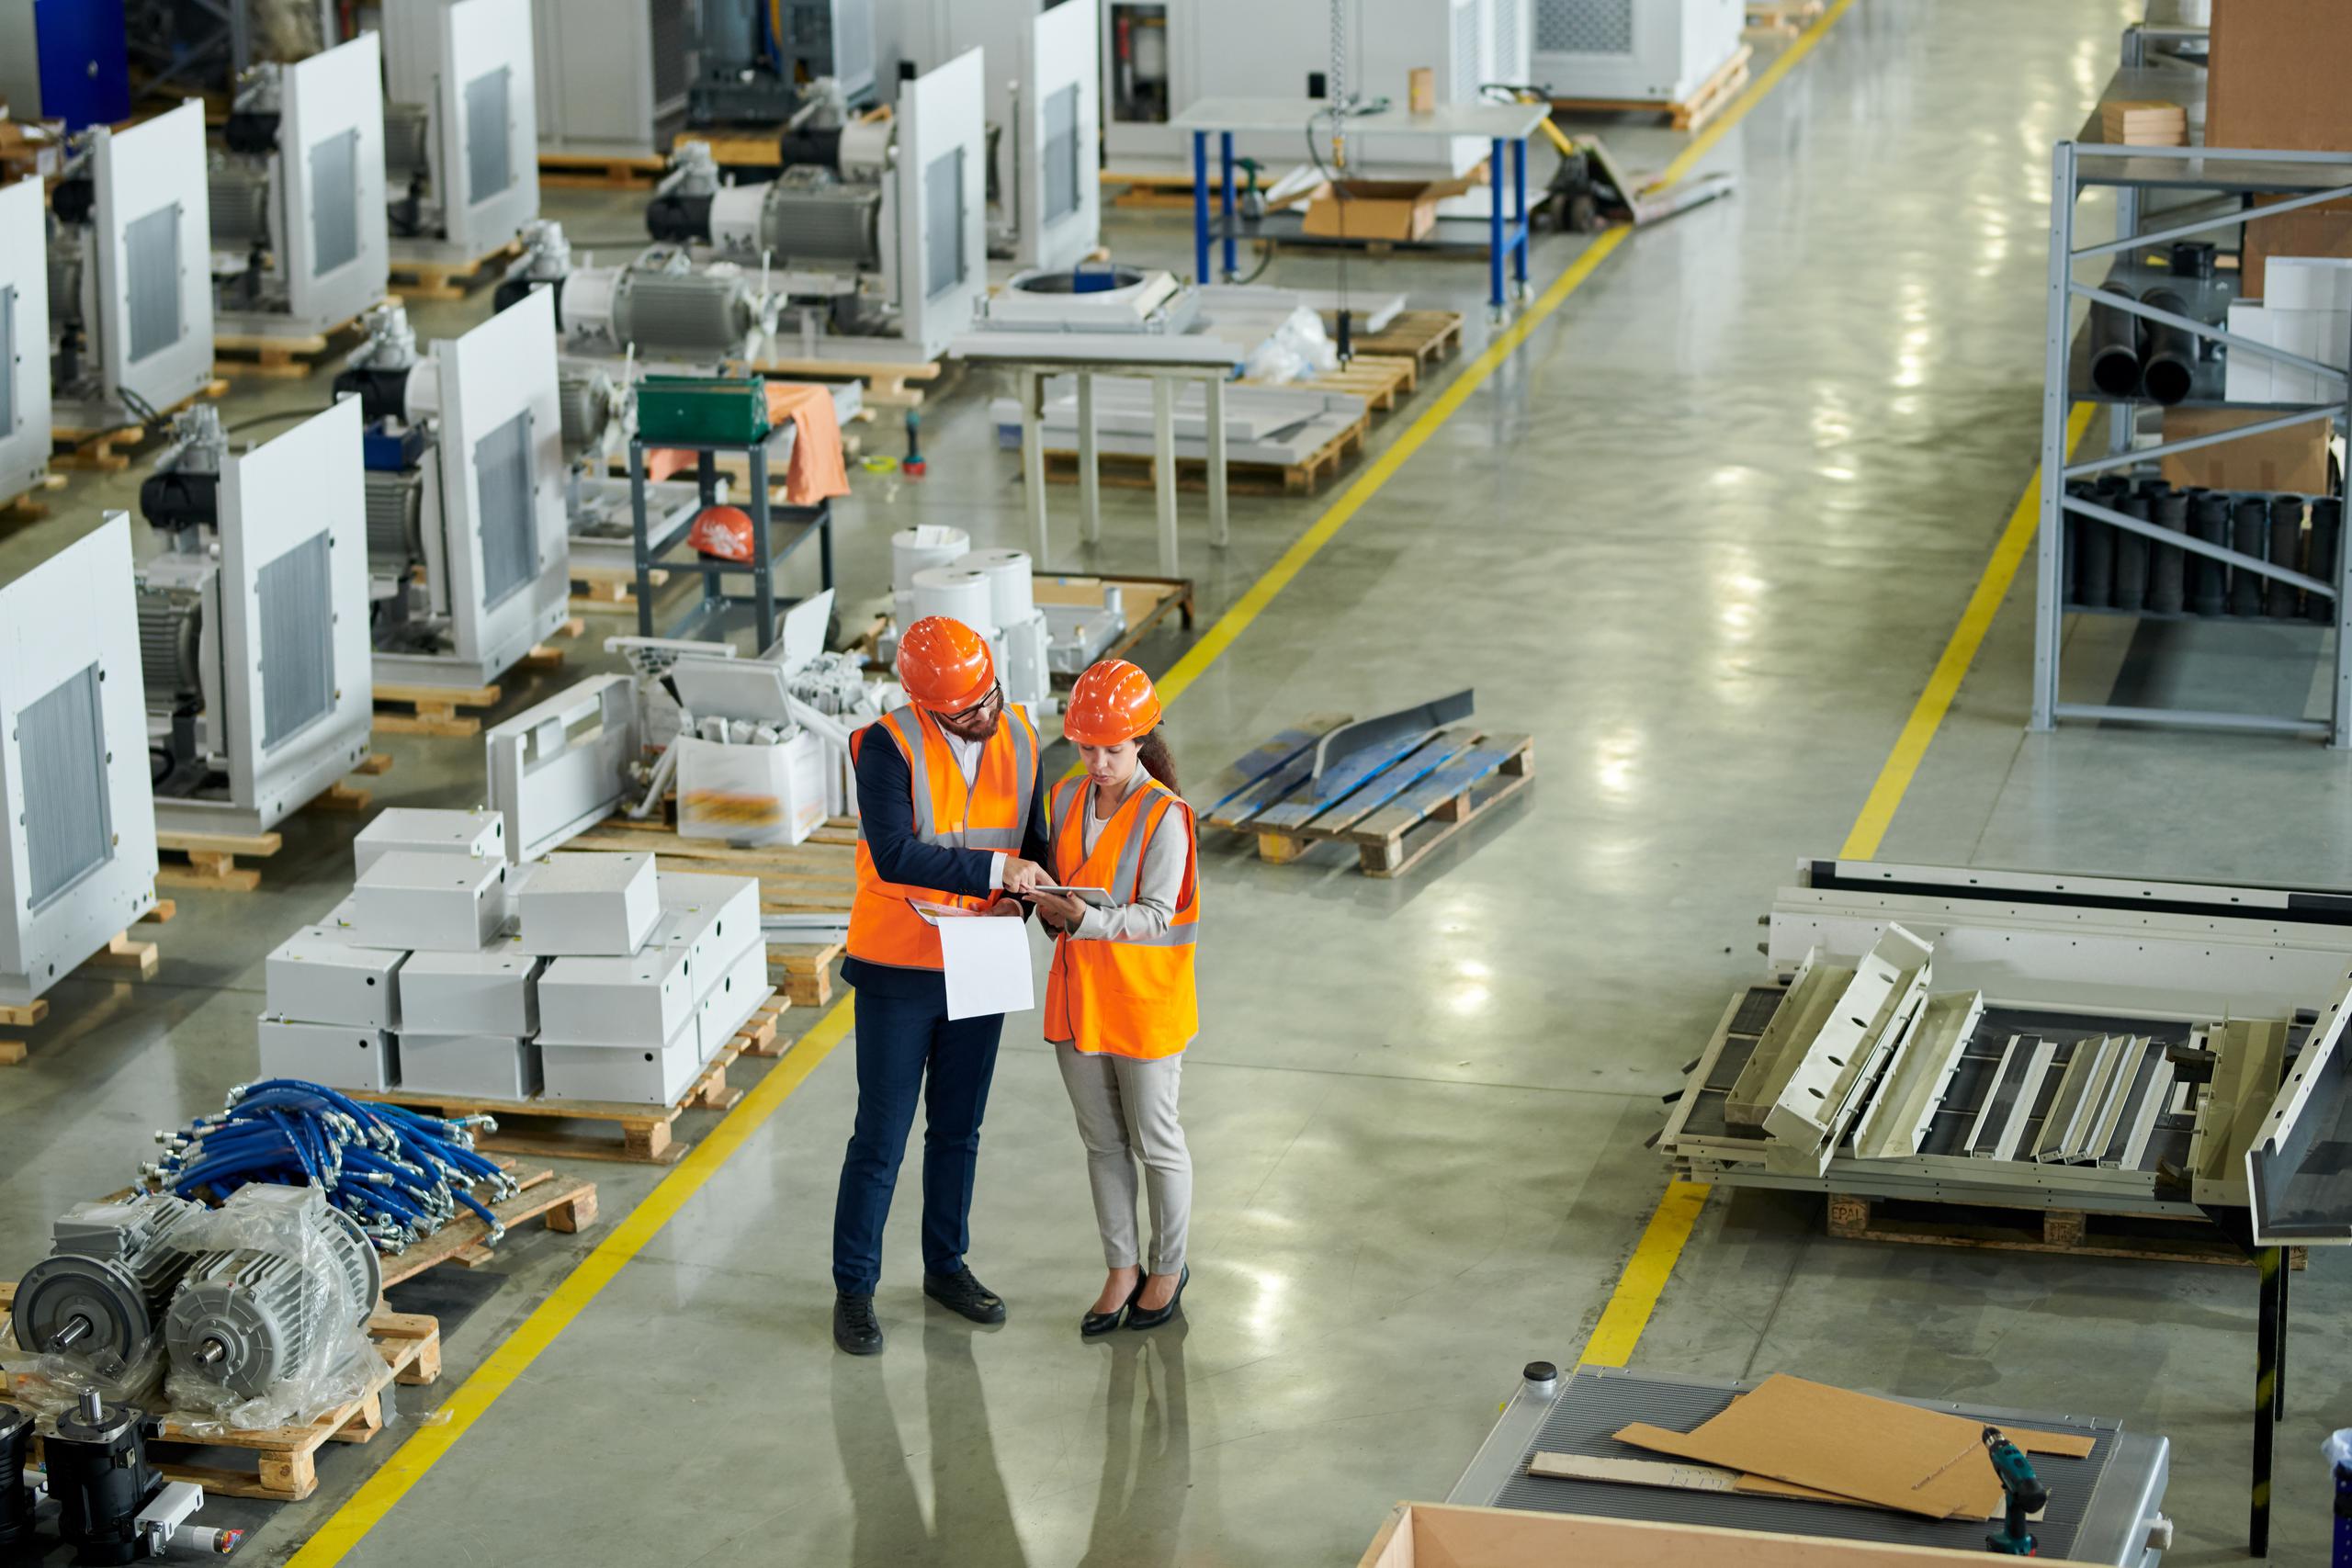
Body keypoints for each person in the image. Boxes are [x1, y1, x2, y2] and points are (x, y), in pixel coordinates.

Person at [831, 616, 1052, 1356]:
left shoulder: (1020, 735)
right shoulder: (885, 748)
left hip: (982, 956)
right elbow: (894, 854)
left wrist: (1041, 896)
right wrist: (999, 874)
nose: (985, 714)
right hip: (901, 967)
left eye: (990, 695)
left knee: (959, 1129)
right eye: (967, 709)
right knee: (882, 1137)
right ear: (927, 704)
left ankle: (946, 1266)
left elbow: (1035, 841)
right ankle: (854, 1290)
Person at [1021, 660, 1199, 1337]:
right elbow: (1066, 878)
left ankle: (1167, 1266)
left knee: (1156, 1142)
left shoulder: (1165, 816)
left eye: (1113, 750)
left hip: (1143, 1001)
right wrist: (1040, 899)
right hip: (1079, 996)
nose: (1096, 761)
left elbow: (1158, 912)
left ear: (1142, 739)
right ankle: (1121, 1266)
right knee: (1101, 1142)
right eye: (1086, 746)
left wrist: (1083, 919)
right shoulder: (1066, 796)